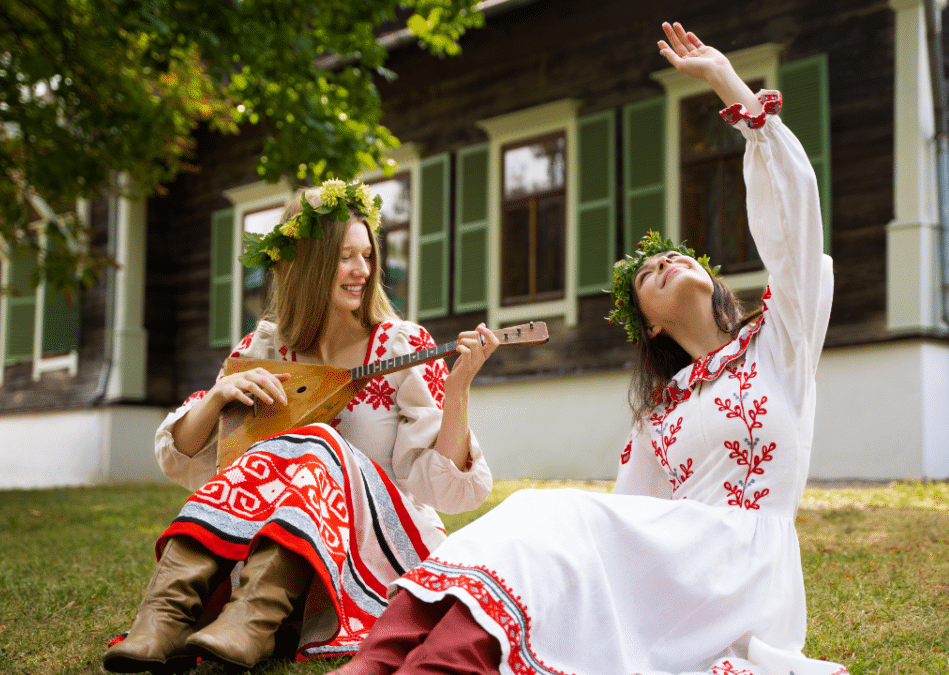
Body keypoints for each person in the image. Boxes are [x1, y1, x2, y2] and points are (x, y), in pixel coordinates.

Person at [328, 22, 847, 675]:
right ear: (650, 325)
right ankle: (381, 660)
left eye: (672, 255)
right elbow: (627, 518)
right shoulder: (662, 412)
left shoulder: (780, 343)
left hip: (742, 571)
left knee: (555, 509)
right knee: (541, 518)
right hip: (679, 569)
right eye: (645, 273)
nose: (659, 261)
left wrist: (727, 81)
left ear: (710, 276)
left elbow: (796, 217)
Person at [103, 180, 499, 673]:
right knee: (290, 448)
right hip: (284, 551)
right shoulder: (265, 349)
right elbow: (196, 463)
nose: (363, 270)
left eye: (368, 255)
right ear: (309, 266)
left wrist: (457, 389)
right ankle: (160, 620)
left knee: (316, 441)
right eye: (345, 257)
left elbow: (448, 492)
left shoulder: (401, 347)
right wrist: (220, 397)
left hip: (378, 551)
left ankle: (252, 620)